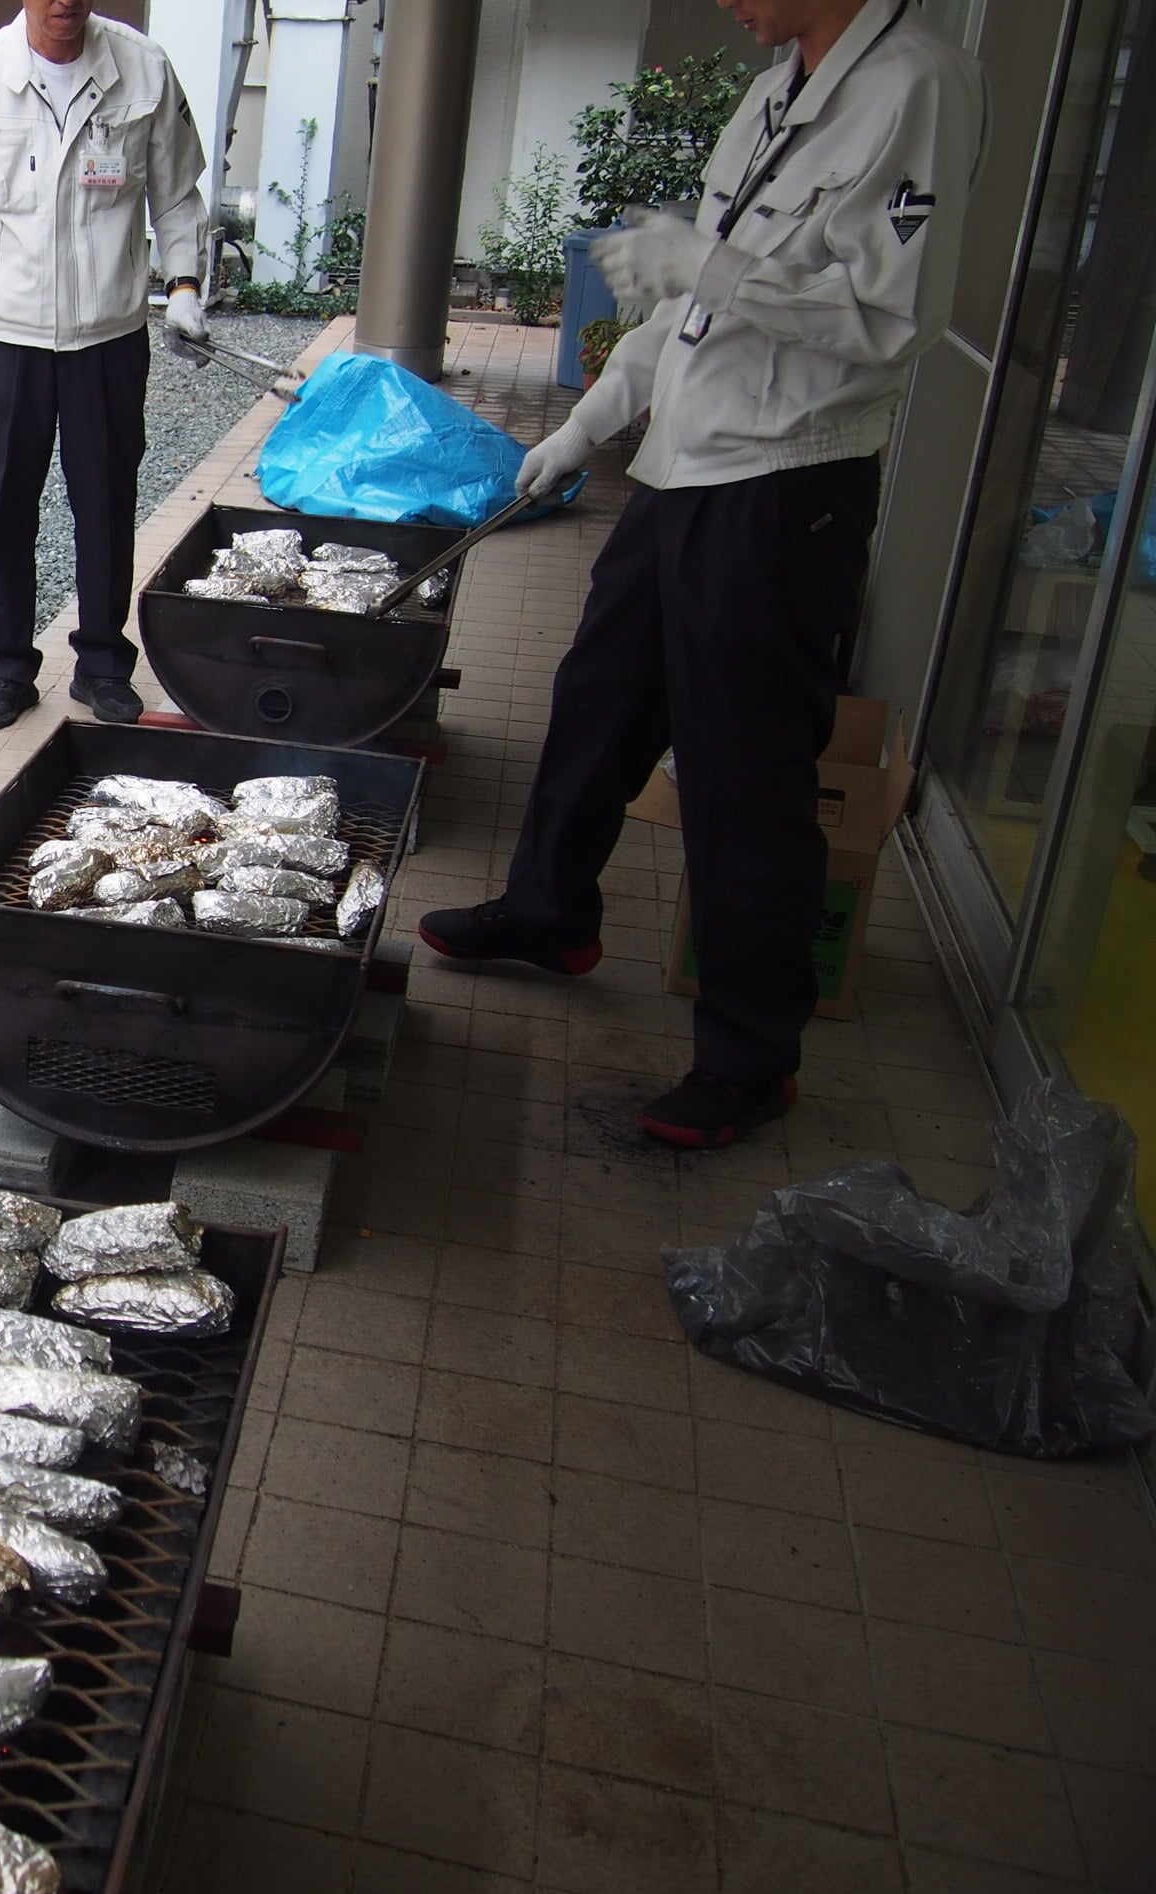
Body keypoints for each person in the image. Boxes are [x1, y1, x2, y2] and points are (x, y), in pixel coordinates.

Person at [419, 0, 984, 1148]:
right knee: (597, 704)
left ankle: (747, 1056)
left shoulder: (917, 84)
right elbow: (687, 308)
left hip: (783, 486)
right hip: (681, 466)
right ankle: (547, 914)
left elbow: (891, 323)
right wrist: (590, 422)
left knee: (743, 773)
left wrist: (711, 264)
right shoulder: (775, 84)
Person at [0, 0, 208, 729]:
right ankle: (4, 670)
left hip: (110, 336)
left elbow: (177, 192)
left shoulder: (143, 71)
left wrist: (184, 285)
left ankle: (101, 664)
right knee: (5, 506)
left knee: (105, 502)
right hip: (11, 338)